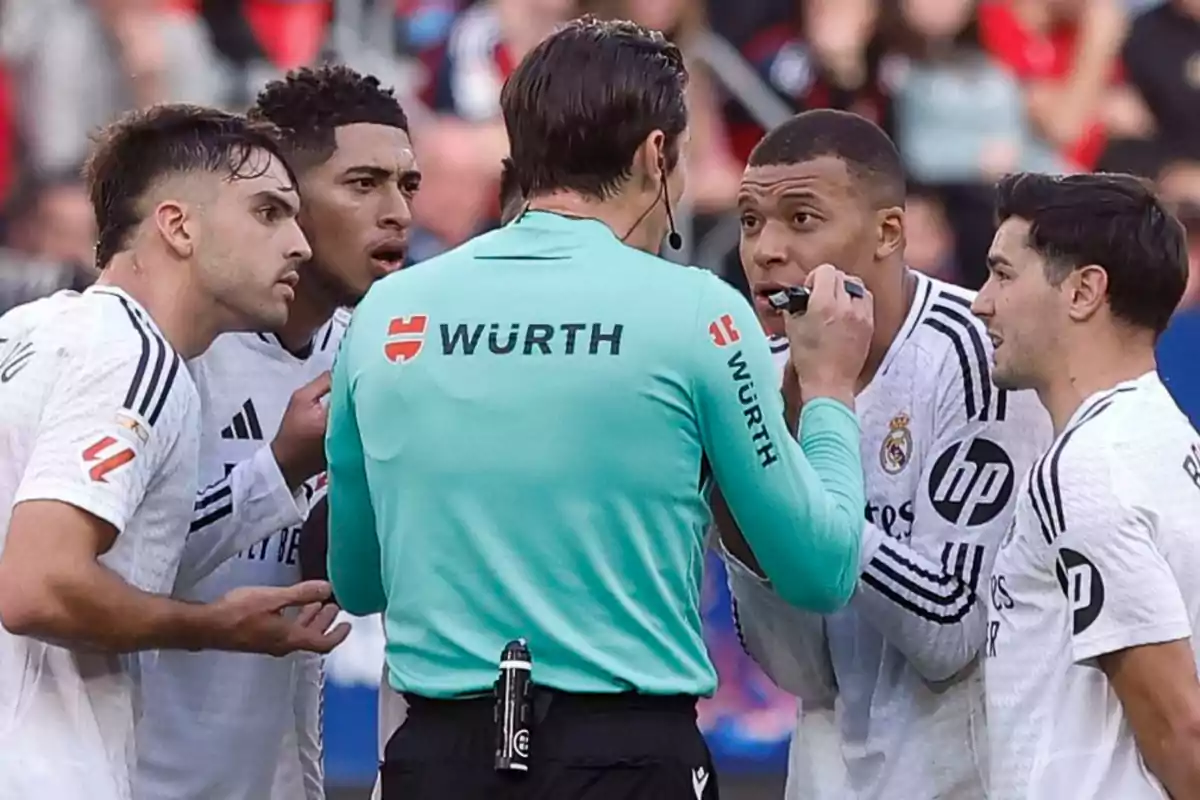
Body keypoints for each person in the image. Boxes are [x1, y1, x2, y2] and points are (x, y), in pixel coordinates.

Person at [326, 16, 875, 800]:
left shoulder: (388, 312)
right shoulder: (700, 312)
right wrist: (828, 393)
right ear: (657, 154)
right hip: (627, 755)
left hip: (439, 759)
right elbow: (820, 571)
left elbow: (358, 582)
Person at [0, 104, 349, 800]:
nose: (300, 244)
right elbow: (36, 586)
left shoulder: (27, 332)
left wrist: (274, 469)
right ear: (178, 225)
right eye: (268, 212)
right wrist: (214, 626)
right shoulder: (137, 359)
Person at [717, 109, 1051, 800]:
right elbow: (800, 672)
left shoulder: (978, 358)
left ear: (888, 232)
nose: (766, 250)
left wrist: (820, 436)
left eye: (801, 219)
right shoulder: (756, 376)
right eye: (751, 222)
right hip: (823, 774)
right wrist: (734, 503)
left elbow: (951, 634)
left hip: (962, 776)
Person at [133, 68, 418, 800]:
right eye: (362, 184)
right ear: (281, 204)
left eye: (407, 186)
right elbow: (110, 576)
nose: (396, 214)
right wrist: (279, 465)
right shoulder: (174, 349)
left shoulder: (372, 354)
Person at [975, 172, 1200, 800]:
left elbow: (1182, 730)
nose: (980, 302)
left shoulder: (1086, 470)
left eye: (1003, 274)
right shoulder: (1163, 438)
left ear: (1083, 291)